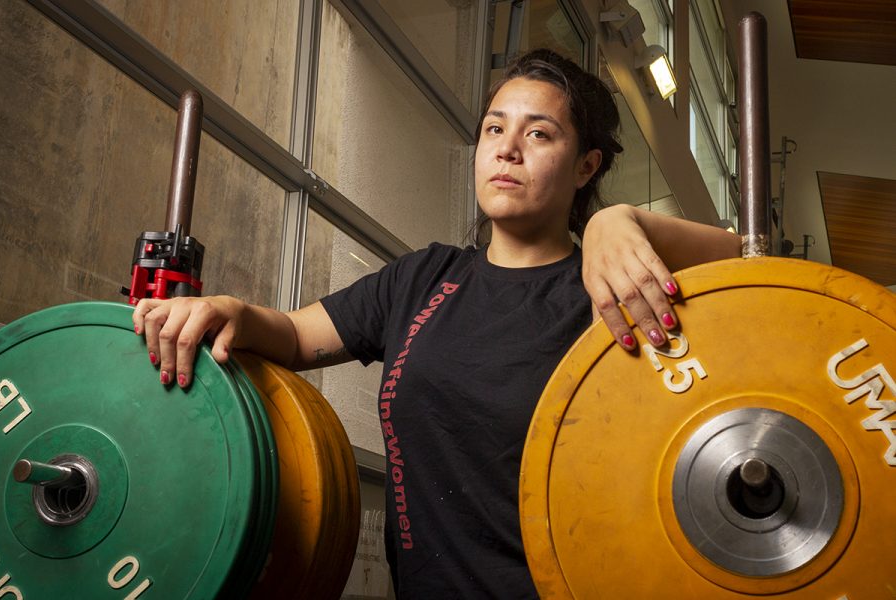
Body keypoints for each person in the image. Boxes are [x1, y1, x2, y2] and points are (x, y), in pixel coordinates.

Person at [133, 49, 739, 597]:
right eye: (495, 129)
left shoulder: (606, 292)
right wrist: (231, 310)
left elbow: (757, 270)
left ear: (586, 167)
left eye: (540, 134)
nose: (507, 148)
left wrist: (623, 221)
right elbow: (293, 338)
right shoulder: (423, 278)